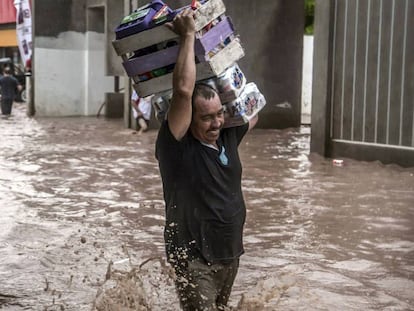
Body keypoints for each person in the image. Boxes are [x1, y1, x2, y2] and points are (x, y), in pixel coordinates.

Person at [155, 9, 258, 311]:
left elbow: (252, 109)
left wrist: (226, 73)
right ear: (189, 119)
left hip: (229, 253)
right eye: (206, 118)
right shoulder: (177, 146)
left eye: (219, 115)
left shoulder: (226, 136)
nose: (215, 124)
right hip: (192, 255)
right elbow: (183, 91)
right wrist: (188, 35)